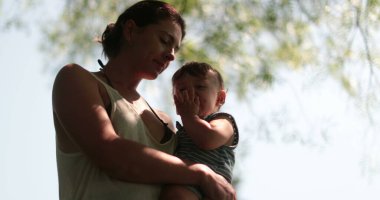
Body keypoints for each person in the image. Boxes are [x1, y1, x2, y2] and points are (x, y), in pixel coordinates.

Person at [52, 1, 236, 200]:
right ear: (131, 31)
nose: (171, 55)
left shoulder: (165, 121)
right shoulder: (76, 79)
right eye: (165, 40)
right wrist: (201, 173)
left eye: (175, 49)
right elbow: (110, 154)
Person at [159, 62, 239, 200]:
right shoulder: (182, 132)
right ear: (177, 104)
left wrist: (189, 116)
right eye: (182, 90)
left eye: (200, 87)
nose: (191, 93)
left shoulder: (223, 121)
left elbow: (207, 139)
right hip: (185, 180)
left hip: (212, 189)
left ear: (220, 98)